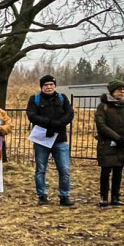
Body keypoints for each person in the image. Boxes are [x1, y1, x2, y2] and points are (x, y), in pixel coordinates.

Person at [26, 74, 76, 206]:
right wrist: (48, 123)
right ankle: (42, 196)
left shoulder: (62, 98)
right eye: (46, 85)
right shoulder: (35, 99)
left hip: (60, 139)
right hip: (42, 140)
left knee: (64, 169)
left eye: (51, 85)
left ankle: (64, 196)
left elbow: (69, 114)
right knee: (40, 169)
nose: (49, 87)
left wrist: (57, 124)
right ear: (42, 87)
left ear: (55, 86)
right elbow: (31, 115)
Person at [94, 80, 124, 207]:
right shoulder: (103, 106)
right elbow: (101, 125)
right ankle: (104, 197)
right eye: (119, 90)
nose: (122, 92)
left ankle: (116, 197)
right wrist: (116, 137)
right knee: (106, 171)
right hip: (107, 143)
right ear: (112, 92)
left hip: (123, 143)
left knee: (119, 170)